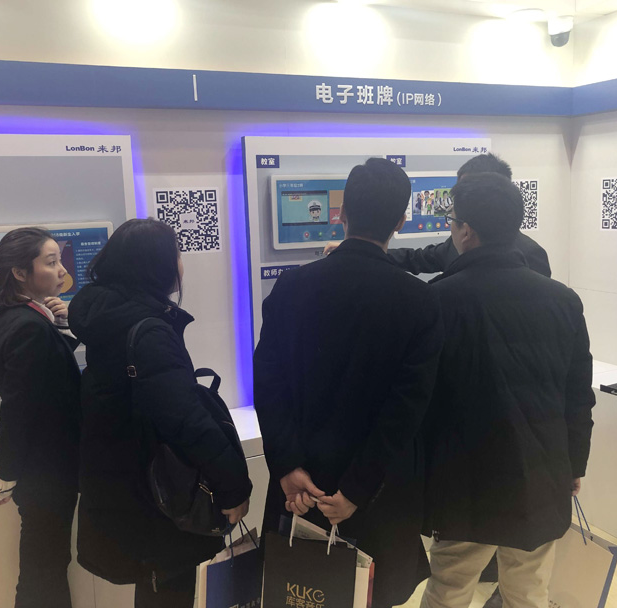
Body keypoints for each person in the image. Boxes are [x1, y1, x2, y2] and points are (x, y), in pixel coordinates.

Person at [254, 158, 444, 608]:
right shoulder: (419, 300)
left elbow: (268, 381)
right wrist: (358, 489)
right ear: (400, 222)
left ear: (341, 213)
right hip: (378, 493)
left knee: (299, 593)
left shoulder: (291, 287)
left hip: (302, 492)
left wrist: (287, 465)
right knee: (374, 596)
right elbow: (407, 408)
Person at [421, 173, 595, 608]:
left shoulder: (438, 300)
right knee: (529, 592)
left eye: (452, 222)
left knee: (448, 590)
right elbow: (578, 395)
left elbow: (423, 401)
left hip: (465, 479)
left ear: (466, 231)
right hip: (541, 473)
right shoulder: (563, 299)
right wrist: (574, 462)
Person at [68, 218, 252, 608]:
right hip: (156, 494)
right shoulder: (148, 330)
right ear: (156, 265)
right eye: (177, 254)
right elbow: (184, 418)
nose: (181, 264)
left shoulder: (110, 316)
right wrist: (233, 485)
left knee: (154, 585)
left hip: (123, 484)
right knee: (168, 587)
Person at [0, 227, 81, 608]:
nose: (62, 270)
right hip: (46, 472)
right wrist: (5, 474)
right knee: (44, 572)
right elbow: (20, 409)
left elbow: (45, 377)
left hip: (44, 470)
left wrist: (62, 328)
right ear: (21, 273)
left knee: (47, 567)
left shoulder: (14, 318)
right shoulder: (29, 327)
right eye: (51, 262)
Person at [324, 153, 551, 279]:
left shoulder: (531, 254)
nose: (458, 198)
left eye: (469, 191)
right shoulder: (455, 243)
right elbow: (417, 258)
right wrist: (364, 249)